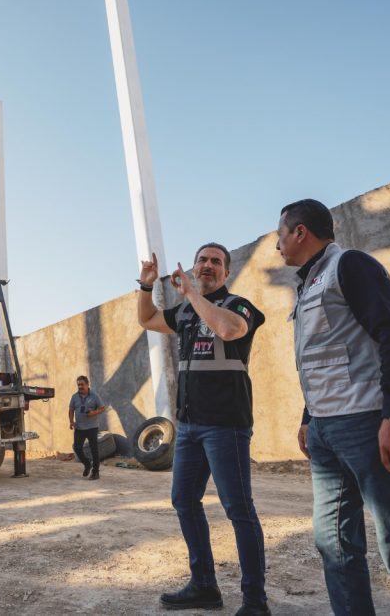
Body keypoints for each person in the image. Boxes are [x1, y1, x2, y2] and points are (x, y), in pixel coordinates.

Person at [276, 199, 390, 615]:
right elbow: (324, 357)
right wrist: (308, 418)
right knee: (334, 544)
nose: (277, 245)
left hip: (367, 424)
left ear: (300, 232)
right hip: (325, 431)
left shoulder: (350, 265)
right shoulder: (308, 283)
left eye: (280, 235)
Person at [138, 243, 270, 615]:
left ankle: (255, 601)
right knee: (184, 500)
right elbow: (147, 320)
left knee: (239, 510)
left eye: (216, 261)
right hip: (189, 427)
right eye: (202, 260)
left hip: (226, 426)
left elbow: (227, 329)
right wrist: (147, 286)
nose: (208, 265)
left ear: (227, 272)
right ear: (194, 267)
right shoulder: (184, 312)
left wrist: (191, 294)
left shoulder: (239, 306)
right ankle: (204, 586)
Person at [68, 375, 106, 480]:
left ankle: (95, 472)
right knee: (77, 448)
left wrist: (94, 412)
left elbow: (102, 408)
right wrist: (71, 421)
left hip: (92, 427)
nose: (80, 386)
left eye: (82, 384)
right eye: (78, 385)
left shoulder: (95, 396)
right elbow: (71, 410)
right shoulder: (74, 397)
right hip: (79, 427)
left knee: (94, 450)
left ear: (87, 384)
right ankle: (87, 464)